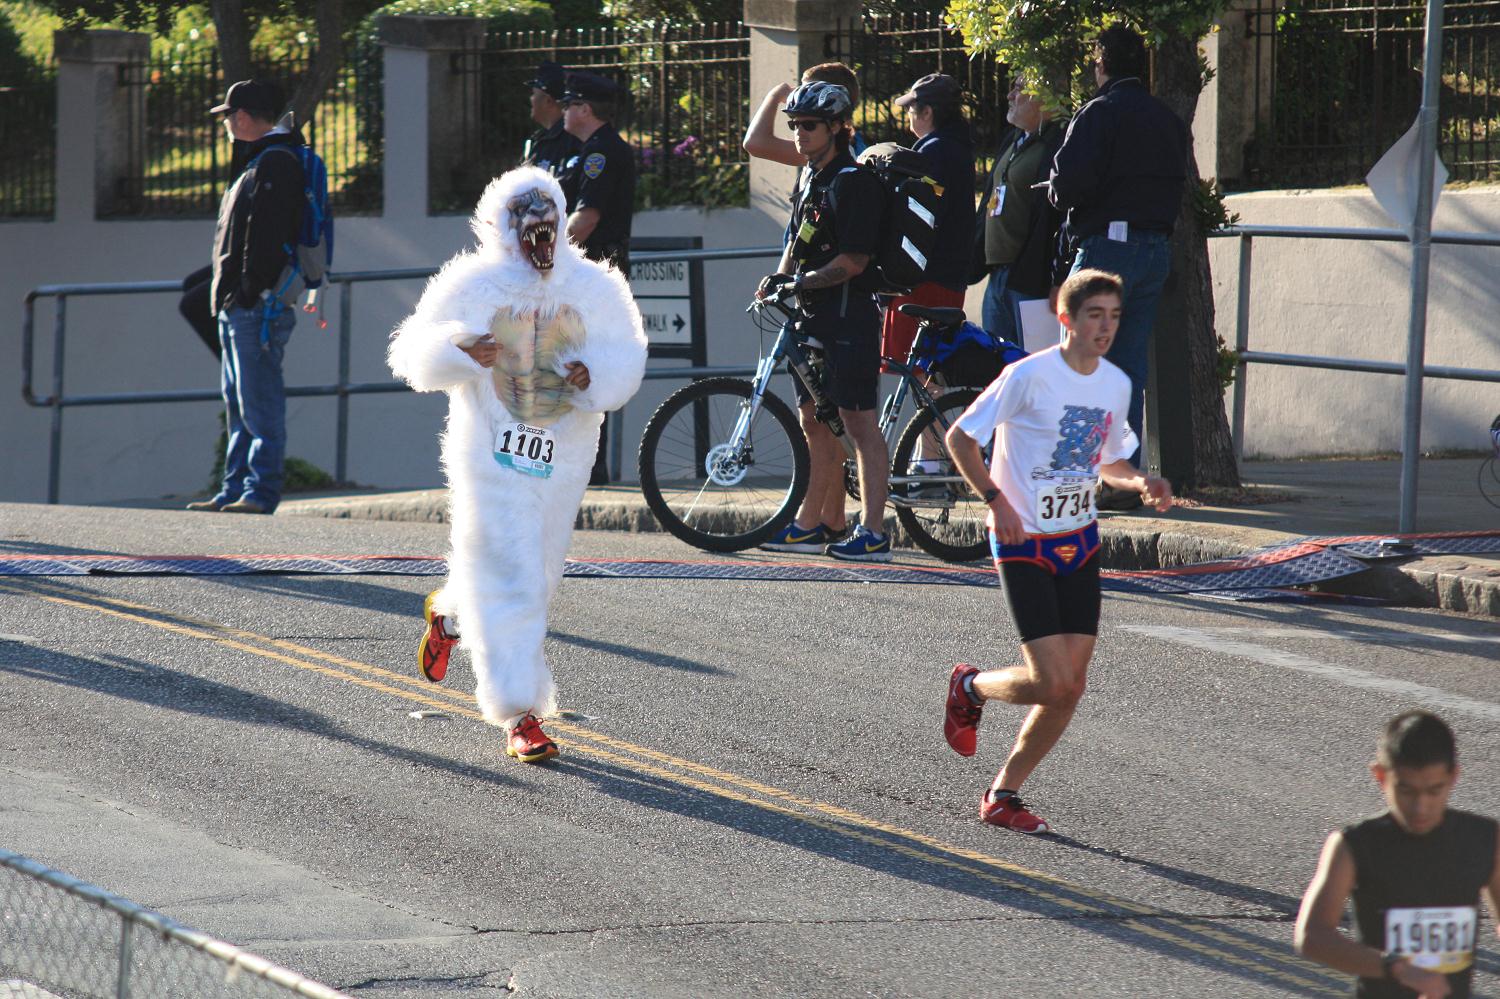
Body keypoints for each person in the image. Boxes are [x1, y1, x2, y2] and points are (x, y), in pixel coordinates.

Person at [388, 166, 647, 763]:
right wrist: (460, 346)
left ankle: (452, 615)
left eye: (549, 224)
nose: (542, 236)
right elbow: (412, 352)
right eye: (529, 225)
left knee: (538, 571)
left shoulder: (595, 287)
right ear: (504, 228)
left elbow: (626, 356)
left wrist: (594, 374)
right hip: (490, 450)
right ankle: (519, 711)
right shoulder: (471, 283)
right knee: (515, 572)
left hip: (563, 452)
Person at [941, 269, 1172, 833]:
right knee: (1049, 681)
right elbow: (960, 439)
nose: (1107, 327)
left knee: (1072, 683)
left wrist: (1141, 482)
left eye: (1115, 316)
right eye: (1095, 314)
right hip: (1022, 539)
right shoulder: (1027, 377)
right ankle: (969, 686)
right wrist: (995, 501)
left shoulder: (1116, 384)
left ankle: (1003, 794)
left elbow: (1108, 461)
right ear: (1065, 318)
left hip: (1079, 541)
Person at [1046, 25, 1186, 508]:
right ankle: (1121, 480)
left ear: (1101, 63)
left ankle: (1080, 479)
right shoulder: (1167, 117)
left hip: (1109, 247)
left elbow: (1066, 185)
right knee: (1126, 369)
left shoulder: (1099, 112)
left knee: (1082, 363)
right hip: (1154, 250)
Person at [754, 82, 892, 562]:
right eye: (793, 126)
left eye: (808, 125)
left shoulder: (852, 181)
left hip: (848, 316)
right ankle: (811, 524)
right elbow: (799, 237)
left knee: (859, 424)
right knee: (813, 420)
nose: (798, 134)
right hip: (811, 317)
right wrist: (780, 277)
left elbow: (853, 261)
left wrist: (802, 283)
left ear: (837, 127)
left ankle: (874, 532)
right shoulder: (813, 176)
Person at [1295, 711, 1500, 999]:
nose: (1420, 807)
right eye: (1406, 790)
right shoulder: (1353, 846)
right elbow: (1312, 936)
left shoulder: (1486, 838)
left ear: (1453, 777)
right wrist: (1399, 968)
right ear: (1380, 776)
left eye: (1434, 790)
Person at [187, 79, 306, 515]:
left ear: (241, 117)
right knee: (240, 404)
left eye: (228, 118)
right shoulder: (262, 160)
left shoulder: (275, 162)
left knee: (259, 404)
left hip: (255, 307)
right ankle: (235, 488)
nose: (226, 126)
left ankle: (259, 491)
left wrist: (249, 291)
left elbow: (268, 237)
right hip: (241, 304)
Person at [560, 70, 635, 486]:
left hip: (595, 276)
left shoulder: (601, 153)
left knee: (589, 369)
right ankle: (582, 463)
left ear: (585, 109)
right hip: (588, 277)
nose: (564, 110)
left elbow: (585, 219)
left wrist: (544, 257)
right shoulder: (587, 150)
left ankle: (592, 466)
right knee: (575, 366)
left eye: (570, 104)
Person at [881, 73, 975, 370]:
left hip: (926, 275)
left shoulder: (933, 151)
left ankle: (936, 419)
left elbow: (919, 215)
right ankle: (935, 418)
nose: (909, 115)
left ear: (927, 112)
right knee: (927, 374)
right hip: (946, 272)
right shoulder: (956, 146)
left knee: (917, 371)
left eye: (911, 109)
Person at [972, 75, 1065, 344]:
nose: (1010, 96)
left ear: (1044, 97)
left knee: (1036, 367)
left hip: (1031, 279)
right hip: (998, 276)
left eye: (1019, 89)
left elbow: (1054, 216)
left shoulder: (1058, 141)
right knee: (1001, 370)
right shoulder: (1014, 139)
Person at [742, 61, 866, 168]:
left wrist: (774, 96)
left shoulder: (829, 147)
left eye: (810, 90)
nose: (801, 94)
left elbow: (754, 143)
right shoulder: (849, 139)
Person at [521, 61, 582, 182]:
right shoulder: (537, 140)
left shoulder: (572, 142)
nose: (531, 99)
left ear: (548, 101)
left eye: (533, 94)